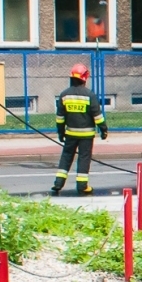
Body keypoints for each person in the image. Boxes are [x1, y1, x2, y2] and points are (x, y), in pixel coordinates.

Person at [52, 63, 107, 196]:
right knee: (84, 158)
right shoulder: (89, 95)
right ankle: (82, 186)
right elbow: (97, 116)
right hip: (86, 135)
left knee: (66, 157)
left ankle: (58, 183)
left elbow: (60, 117)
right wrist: (103, 129)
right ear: (84, 78)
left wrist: (60, 132)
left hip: (70, 133)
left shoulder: (64, 95)